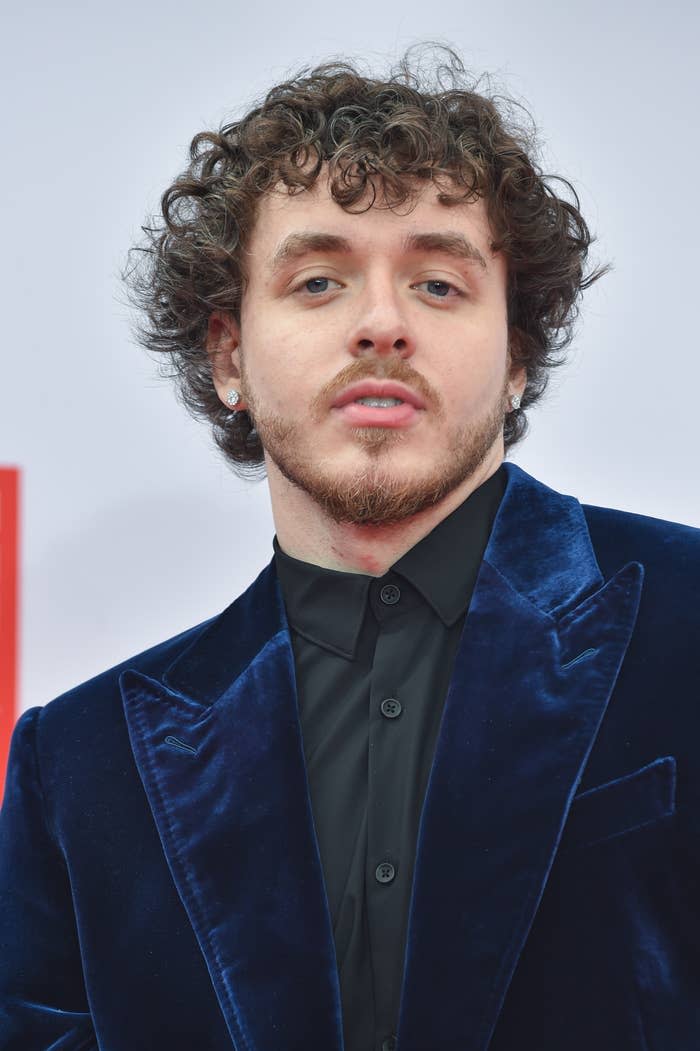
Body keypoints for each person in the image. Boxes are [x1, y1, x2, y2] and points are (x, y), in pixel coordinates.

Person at [1, 48, 698, 1051]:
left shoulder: (688, 620)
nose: (381, 324)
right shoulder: (81, 768)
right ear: (229, 354)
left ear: (517, 356)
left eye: (439, 284)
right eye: (319, 279)